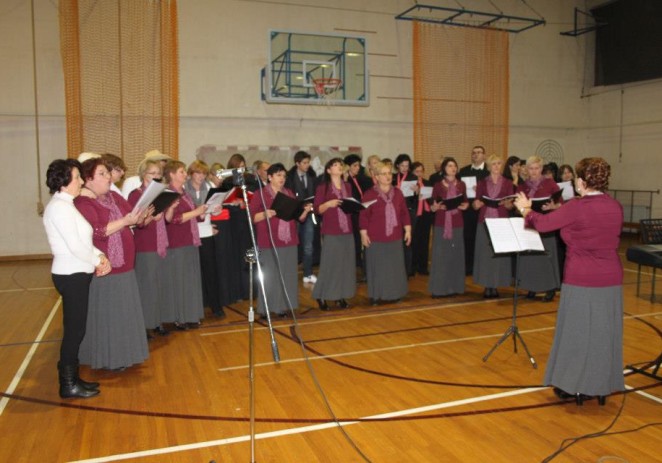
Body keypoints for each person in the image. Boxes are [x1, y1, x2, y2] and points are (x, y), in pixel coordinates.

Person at [514, 157, 624, 405]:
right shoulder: (615, 206)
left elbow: (542, 225)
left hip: (582, 278)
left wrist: (525, 209)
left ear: (582, 182)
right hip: (611, 279)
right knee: (603, 334)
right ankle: (600, 384)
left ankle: (574, 384)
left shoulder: (577, 206)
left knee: (577, 333)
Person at [43, 159, 110, 398]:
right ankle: (67, 384)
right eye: (77, 177)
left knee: (77, 328)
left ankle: (73, 378)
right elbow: (74, 246)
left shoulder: (67, 205)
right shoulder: (59, 208)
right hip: (70, 274)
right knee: (75, 330)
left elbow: (84, 241)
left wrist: (100, 256)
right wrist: (97, 262)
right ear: (64, 181)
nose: (81, 181)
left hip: (78, 272)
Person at [75, 157, 149, 370]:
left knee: (124, 312)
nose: (109, 178)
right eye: (102, 174)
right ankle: (109, 358)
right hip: (106, 265)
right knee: (109, 314)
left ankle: (125, 354)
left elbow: (132, 216)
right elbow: (99, 230)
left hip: (125, 264)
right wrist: (127, 221)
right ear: (87, 179)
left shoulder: (114, 196)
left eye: (108, 173)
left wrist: (146, 216)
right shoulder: (83, 202)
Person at [249, 163, 313, 318]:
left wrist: (305, 211)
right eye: (278, 175)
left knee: (287, 275)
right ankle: (266, 309)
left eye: (284, 176)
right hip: (269, 241)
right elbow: (252, 217)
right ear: (269, 177)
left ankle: (283, 307)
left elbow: (299, 218)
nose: (282, 179)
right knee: (270, 276)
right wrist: (265, 214)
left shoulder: (290, 193)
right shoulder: (260, 194)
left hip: (289, 240)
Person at [127, 159, 174, 337]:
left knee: (159, 285)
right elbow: (136, 224)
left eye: (158, 174)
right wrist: (150, 218)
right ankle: (145, 324)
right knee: (147, 286)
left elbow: (166, 219)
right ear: (143, 175)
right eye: (152, 173)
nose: (156, 177)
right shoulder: (135, 194)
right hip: (145, 246)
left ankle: (157, 321)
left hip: (160, 244)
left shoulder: (160, 193)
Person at [163, 160, 208, 329]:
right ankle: (180, 317)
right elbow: (173, 219)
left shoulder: (184, 192)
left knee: (191, 280)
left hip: (190, 240)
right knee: (180, 281)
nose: (185, 175)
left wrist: (205, 211)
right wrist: (196, 212)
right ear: (172, 174)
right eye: (181, 171)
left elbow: (194, 216)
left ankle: (191, 314)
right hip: (177, 242)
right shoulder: (168, 192)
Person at [359, 162, 411, 305]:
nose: (388, 176)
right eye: (384, 173)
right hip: (376, 237)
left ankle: (395, 294)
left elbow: (404, 213)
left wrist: (408, 230)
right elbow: (363, 216)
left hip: (394, 236)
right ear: (376, 176)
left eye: (389, 173)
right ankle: (376, 295)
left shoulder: (398, 193)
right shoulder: (369, 194)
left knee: (395, 267)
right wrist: (363, 234)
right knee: (378, 268)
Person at [516, 155, 562, 302]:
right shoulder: (523, 186)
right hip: (529, 225)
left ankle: (550, 289)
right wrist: (522, 208)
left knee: (546, 257)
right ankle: (531, 287)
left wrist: (553, 206)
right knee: (530, 257)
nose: (534, 171)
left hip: (546, 224)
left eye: (537, 168)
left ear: (541, 169)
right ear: (526, 169)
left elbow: (560, 204)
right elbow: (518, 207)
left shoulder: (550, 183)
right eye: (531, 168)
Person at [312, 158, 356, 309]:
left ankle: (340, 296)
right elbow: (317, 209)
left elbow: (350, 205)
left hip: (347, 229)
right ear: (329, 170)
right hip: (331, 230)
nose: (339, 167)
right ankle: (321, 295)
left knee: (345, 264)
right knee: (329, 264)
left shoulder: (348, 186)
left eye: (340, 165)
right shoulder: (323, 188)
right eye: (335, 165)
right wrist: (328, 204)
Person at [184, 160, 225, 319]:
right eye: (197, 173)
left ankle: (216, 306)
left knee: (210, 272)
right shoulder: (183, 189)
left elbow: (213, 211)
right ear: (191, 174)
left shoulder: (209, 187)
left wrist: (216, 210)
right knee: (192, 273)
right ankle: (194, 307)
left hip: (206, 233)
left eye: (203, 173)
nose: (201, 176)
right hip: (189, 234)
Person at [471, 155, 514, 298]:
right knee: (485, 255)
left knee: (499, 256)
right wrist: (476, 204)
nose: (496, 166)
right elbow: (476, 202)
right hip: (484, 221)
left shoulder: (508, 182)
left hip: (501, 222)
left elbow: (510, 203)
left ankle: (495, 285)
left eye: (499, 163)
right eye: (493, 164)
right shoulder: (482, 182)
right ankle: (486, 285)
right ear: (489, 166)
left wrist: (508, 204)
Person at [429, 157, 470, 297]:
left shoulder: (462, 184)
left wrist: (466, 205)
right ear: (444, 169)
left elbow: (465, 202)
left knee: (455, 256)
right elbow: (433, 206)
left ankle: (455, 287)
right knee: (441, 256)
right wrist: (435, 206)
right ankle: (439, 288)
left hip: (457, 223)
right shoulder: (438, 185)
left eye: (454, 165)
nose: (453, 168)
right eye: (449, 166)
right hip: (441, 223)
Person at [285, 150, 318, 284]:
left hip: (309, 214)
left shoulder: (312, 175)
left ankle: (308, 273)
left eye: (308, 162)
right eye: (304, 163)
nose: (307, 165)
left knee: (308, 245)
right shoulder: (289, 177)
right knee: (293, 245)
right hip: (294, 215)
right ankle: (290, 274)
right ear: (297, 163)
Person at [458, 145, 490, 275]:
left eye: (479, 152)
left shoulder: (488, 173)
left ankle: (482, 267)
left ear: (484, 156)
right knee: (468, 238)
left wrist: (481, 191)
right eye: (474, 153)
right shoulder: (463, 171)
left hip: (484, 210)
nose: (476, 155)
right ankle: (468, 266)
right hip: (468, 210)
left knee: (482, 239)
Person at [344, 154, 372, 273]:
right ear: (348, 167)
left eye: (358, 165)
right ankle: (355, 260)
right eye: (354, 166)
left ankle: (362, 260)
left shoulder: (361, 178)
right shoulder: (346, 180)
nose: (357, 168)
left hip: (362, 210)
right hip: (352, 212)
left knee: (363, 236)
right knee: (355, 237)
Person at [393, 154, 418, 277]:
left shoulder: (413, 177)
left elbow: (416, 199)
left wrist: (417, 191)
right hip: (394, 212)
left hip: (408, 211)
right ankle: (397, 268)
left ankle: (407, 270)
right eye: (402, 165)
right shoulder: (392, 178)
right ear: (397, 165)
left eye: (407, 166)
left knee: (407, 241)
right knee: (397, 241)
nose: (404, 168)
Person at [410, 161, 433, 275]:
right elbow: (409, 201)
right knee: (414, 240)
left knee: (425, 240)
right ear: (412, 172)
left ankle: (423, 267)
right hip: (415, 215)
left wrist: (424, 193)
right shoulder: (410, 184)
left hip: (426, 214)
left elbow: (431, 199)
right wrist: (416, 193)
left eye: (421, 171)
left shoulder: (428, 182)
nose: (419, 174)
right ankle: (413, 266)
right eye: (416, 171)